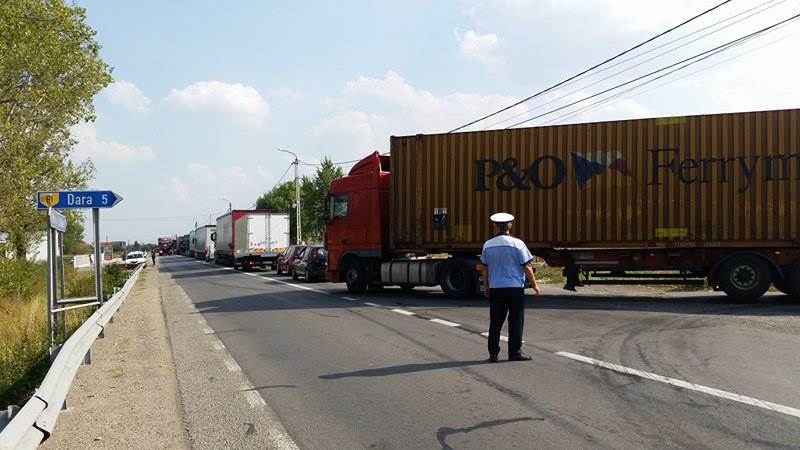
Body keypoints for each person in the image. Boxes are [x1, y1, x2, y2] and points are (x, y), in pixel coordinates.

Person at [477, 212, 540, 362]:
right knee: (516, 320)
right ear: (510, 225)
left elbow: (484, 268)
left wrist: (486, 286)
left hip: (496, 287)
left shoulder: (488, 245)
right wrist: (535, 285)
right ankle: (515, 352)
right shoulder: (517, 244)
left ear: (495, 226)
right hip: (514, 288)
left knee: (496, 321)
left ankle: (493, 353)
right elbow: (527, 266)